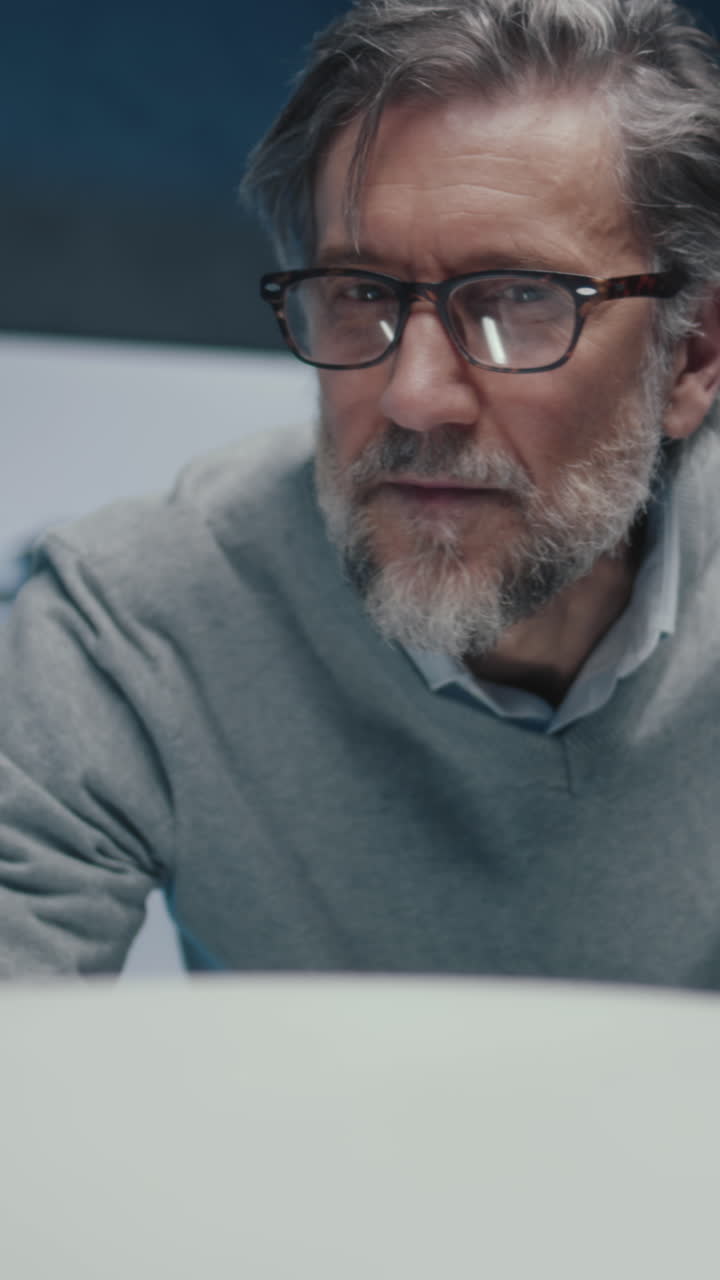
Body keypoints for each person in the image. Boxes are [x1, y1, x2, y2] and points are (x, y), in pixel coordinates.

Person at [3, 0, 720, 985]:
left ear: (691, 354)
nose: (414, 396)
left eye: (518, 296)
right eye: (360, 291)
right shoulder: (127, 632)